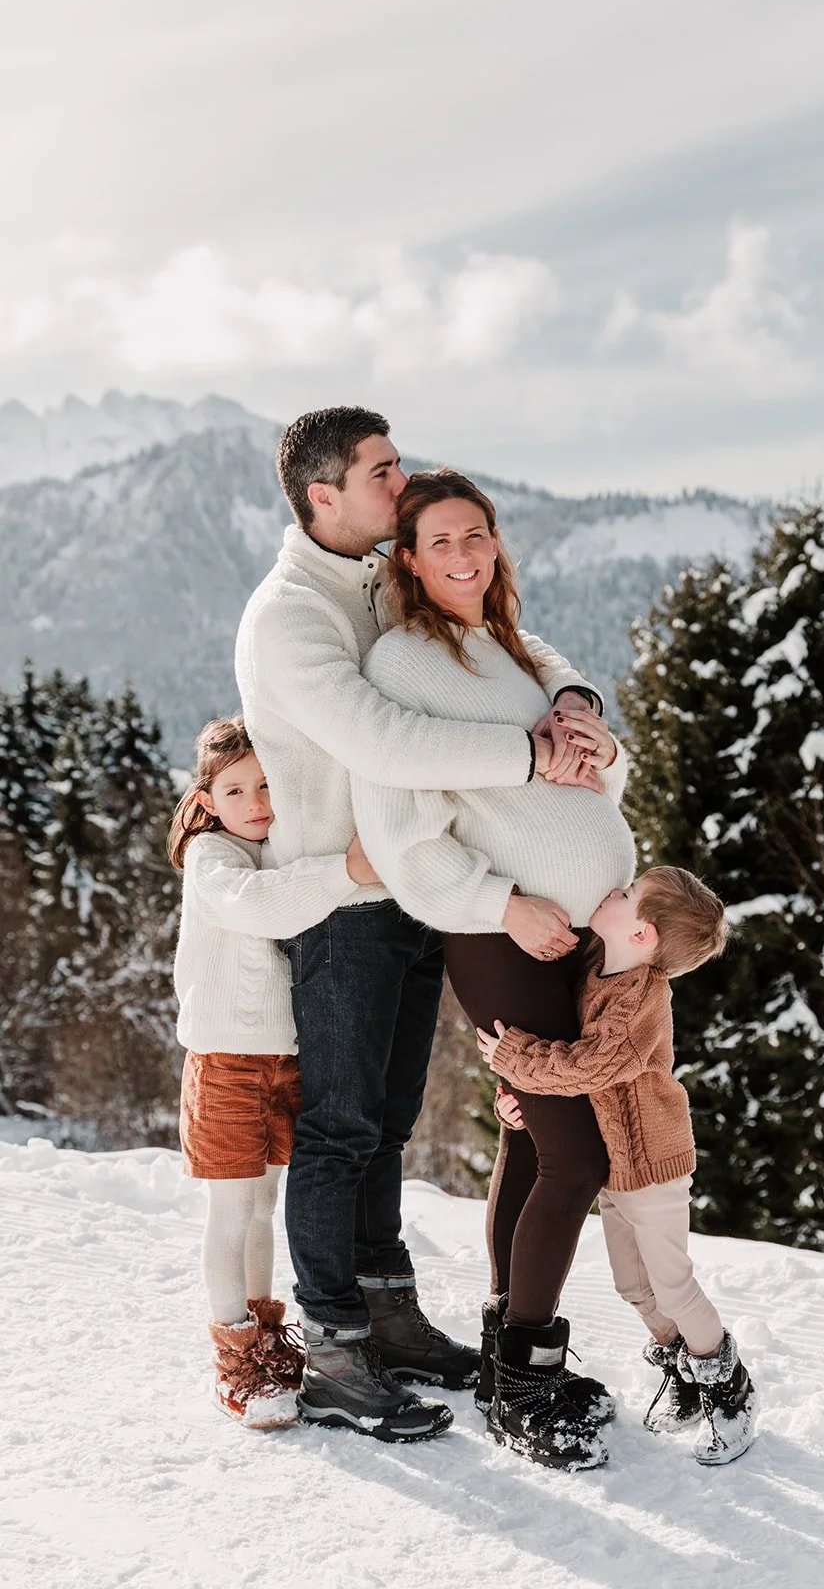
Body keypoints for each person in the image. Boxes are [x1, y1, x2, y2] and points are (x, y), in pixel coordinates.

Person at [235, 407, 605, 1443]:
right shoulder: (289, 616)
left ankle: (387, 1314)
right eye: (383, 471)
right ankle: (333, 1346)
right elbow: (381, 737)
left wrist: (570, 695)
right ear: (324, 496)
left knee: (387, 1121)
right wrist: (530, 757)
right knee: (339, 1126)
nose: (400, 485)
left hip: (413, 891)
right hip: (343, 900)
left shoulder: (371, 576)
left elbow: (491, 627)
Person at [353, 468, 636, 1472]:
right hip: (504, 938)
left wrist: (595, 737)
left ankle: (503, 1341)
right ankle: (524, 1378)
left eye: (475, 533)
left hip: (575, 939)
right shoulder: (402, 664)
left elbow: (576, 777)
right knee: (577, 1158)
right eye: (439, 540)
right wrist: (501, 904)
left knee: (530, 1143)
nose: (463, 553)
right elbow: (404, 834)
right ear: (408, 559)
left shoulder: (511, 647)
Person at [476, 866, 759, 1466]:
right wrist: (517, 1097)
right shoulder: (600, 968)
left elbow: (588, 1066)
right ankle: (683, 1367)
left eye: (629, 895)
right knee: (633, 1285)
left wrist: (514, 1058)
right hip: (617, 1166)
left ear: (642, 935)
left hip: (654, 1166)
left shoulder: (640, 1000)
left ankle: (729, 1388)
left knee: (673, 1285)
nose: (614, 890)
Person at [170, 716, 375, 1429]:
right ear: (206, 801)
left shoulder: (273, 848)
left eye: (267, 785)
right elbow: (257, 906)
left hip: (283, 1060)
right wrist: (347, 869)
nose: (256, 802)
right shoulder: (213, 856)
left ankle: (263, 1336)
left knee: (262, 1207)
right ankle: (234, 1359)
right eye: (235, 790)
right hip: (227, 1060)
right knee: (231, 1212)